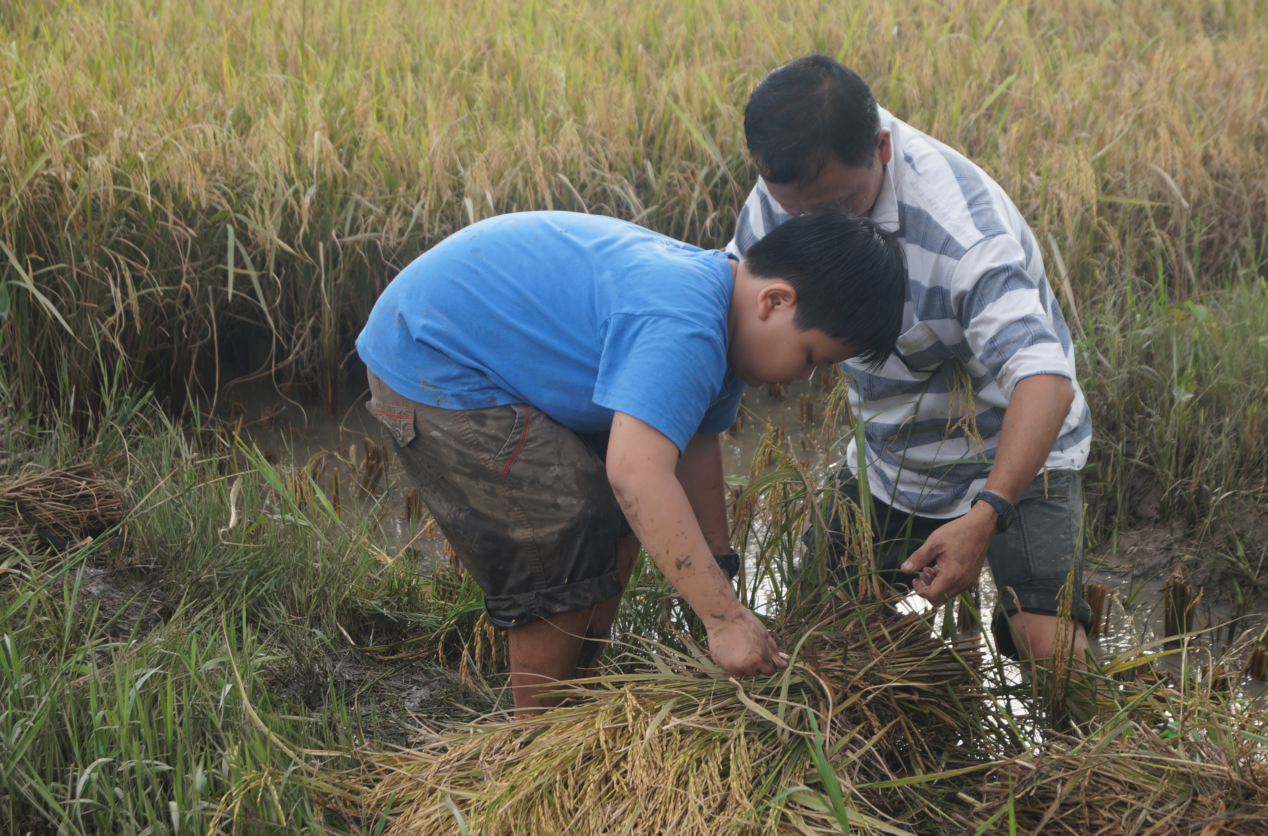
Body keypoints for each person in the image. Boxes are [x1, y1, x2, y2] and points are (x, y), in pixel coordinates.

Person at [356, 210, 906, 714]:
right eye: (812, 356)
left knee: (621, 519)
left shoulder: (725, 323)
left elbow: (694, 447)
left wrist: (721, 578)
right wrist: (723, 620)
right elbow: (635, 474)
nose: (806, 377)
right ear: (775, 302)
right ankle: (533, 738)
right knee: (563, 522)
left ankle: (578, 691)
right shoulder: (687, 324)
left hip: (480, 349)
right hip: (431, 354)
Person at [728, 56, 1094, 669]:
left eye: (843, 204)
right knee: (815, 627)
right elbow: (736, 307)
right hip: (889, 456)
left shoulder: (961, 235)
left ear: (881, 147)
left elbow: (1045, 382)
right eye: (799, 213)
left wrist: (986, 515)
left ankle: (1084, 756)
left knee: (1042, 640)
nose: (818, 229)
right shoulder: (786, 197)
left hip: (1018, 448)